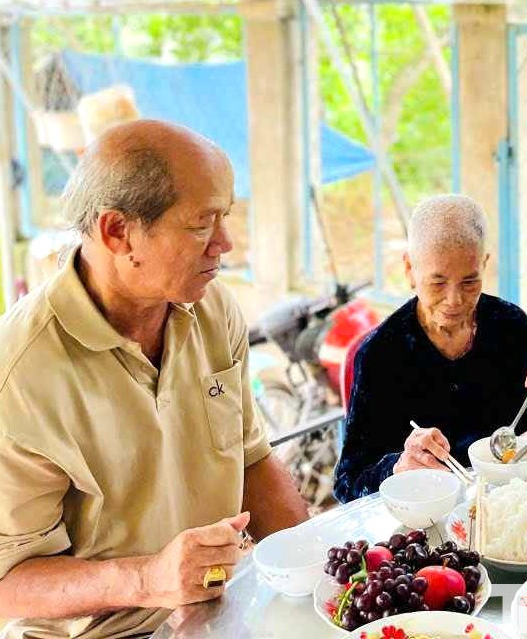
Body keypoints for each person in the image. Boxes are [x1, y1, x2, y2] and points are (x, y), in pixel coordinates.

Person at [0, 120, 310, 638]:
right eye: (201, 224)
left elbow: (251, 460)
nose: (225, 244)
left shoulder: (210, 309)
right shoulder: (21, 376)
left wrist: (323, 569)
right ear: (117, 231)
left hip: (220, 609)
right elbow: (9, 581)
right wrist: (149, 579)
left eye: (225, 217)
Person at [333, 194, 527, 502]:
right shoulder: (381, 354)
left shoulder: (511, 327)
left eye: (470, 282)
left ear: (484, 264)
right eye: (437, 283)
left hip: (507, 510)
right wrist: (398, 467)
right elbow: (348, 483)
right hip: (423, 520)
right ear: (409, 270)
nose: (455, 300)